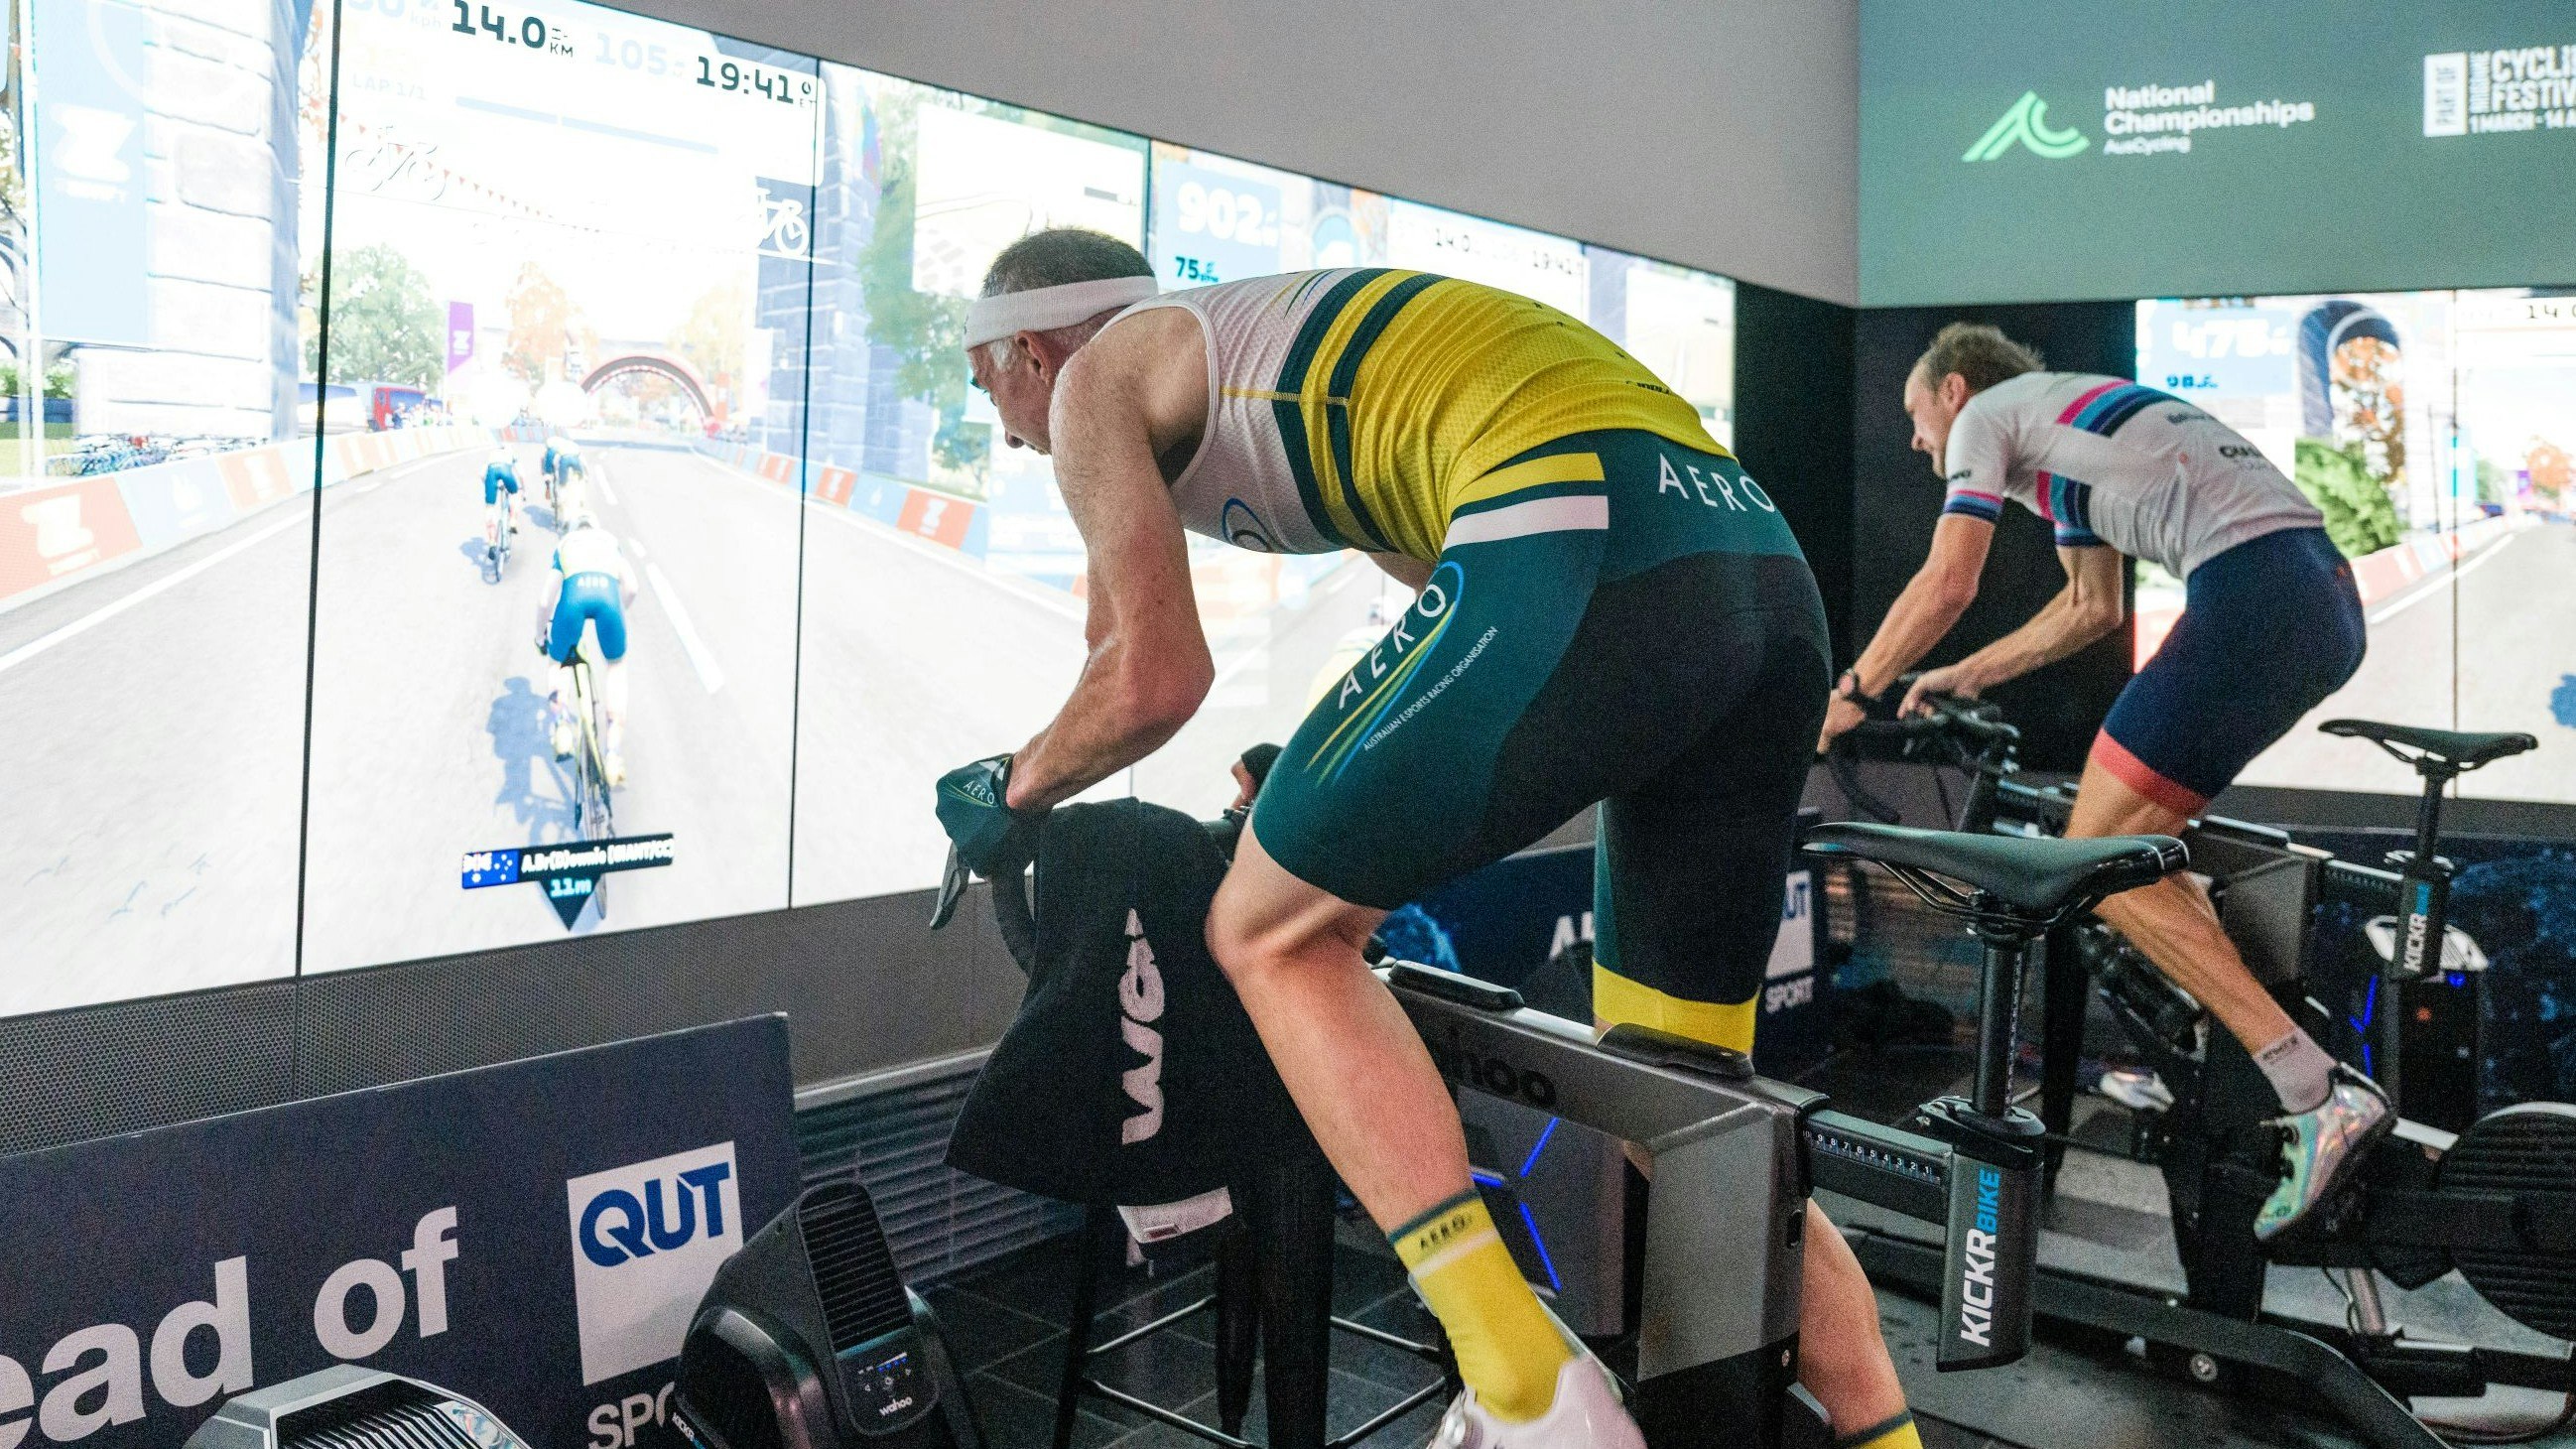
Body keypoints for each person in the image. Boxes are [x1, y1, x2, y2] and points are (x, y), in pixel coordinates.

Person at [932, 229, 1921, 1449]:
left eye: (992, 392)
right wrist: (1318, 750)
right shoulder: (1267, 354)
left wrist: (1009, 788)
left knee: (1267, 930)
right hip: (1759, 576)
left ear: (1026, 349)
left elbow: (1145, 674)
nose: (1014, 434)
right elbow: (1449, 604)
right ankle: (1889, 1433)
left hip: (1578, 529)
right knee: (1690, 1113)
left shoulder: (1094, 380)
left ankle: (1525, 1390)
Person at [1816, 323, 2384, 1240]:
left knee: (2096, 864)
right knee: (2134, 856)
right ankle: (2209, 1014)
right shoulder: (2068, 436)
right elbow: (2093, 608)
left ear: (1953, 390)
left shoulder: (1986, 419)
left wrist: (1851, 692)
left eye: (1915, 417)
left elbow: (1948, 583)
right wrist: (1966, 676)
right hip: (2314, 592)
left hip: (2255, 598)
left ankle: (2311, 1086)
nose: (1917, 442)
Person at [535, 508, 635, 788]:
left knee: (559, 663)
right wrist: (620, 613)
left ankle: (563, 727)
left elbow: (545, 601)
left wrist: (540, 637)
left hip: (572, 603)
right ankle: (613, 754)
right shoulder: (610, 541)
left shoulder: (564, 545)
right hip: (609, 603)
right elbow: (633, 587)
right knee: (616, 667)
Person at [482, 450, 522, 555]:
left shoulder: (491, 455)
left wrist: (488, 486)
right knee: (515, 494)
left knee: (490, 507)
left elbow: (481, 474)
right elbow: (521, 474)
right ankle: (513, 521)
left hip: (491, 473)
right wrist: (523, 489)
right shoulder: (511, 454)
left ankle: (491, 542)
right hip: (506, 471)